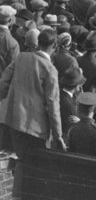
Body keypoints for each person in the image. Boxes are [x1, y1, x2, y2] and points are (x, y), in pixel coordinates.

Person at [0, 28, 64, 157]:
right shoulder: (50, 69)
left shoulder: (21, 57)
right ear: (55, 46)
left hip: (13, 120)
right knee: (34, 166)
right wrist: (58, 136)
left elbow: (3, 83)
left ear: (38, 43)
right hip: (36, 128)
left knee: (19, 160)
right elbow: (53, 104)